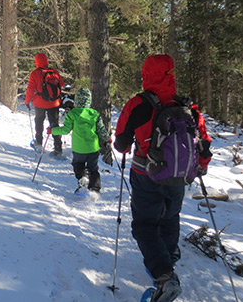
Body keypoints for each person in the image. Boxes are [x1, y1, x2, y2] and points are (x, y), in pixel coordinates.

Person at [113, 54, 212, 302]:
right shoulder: (187, 106)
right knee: (169, 219)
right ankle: (167, 264)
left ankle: (164, 276)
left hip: (146, 174)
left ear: (146, 75)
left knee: (145, 224)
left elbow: (121, 144)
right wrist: (201, 166)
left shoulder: (138, 104)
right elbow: (204, 143)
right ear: (170, 74)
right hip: (179, 176)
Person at [48, 88, 111, 194]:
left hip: (79, 148)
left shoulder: (72, 114)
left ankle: (83, 178)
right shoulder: (95, 114)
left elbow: (65, 130)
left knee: (78, 164)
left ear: (76, 100)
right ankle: (94, 189)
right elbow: (101, 130)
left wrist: (52, 130)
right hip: (93, 147)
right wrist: (108, 138)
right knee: (93, 168)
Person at [24, 53, 64, 156]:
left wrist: (27, 101)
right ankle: (58, 148)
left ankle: (39, 144)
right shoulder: (54, 71)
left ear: (36, 62)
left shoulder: (35, 73)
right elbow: (61, 84)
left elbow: (30, 89)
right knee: (54, 124)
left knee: (39, 122)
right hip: (54, 103)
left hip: (40, 103)